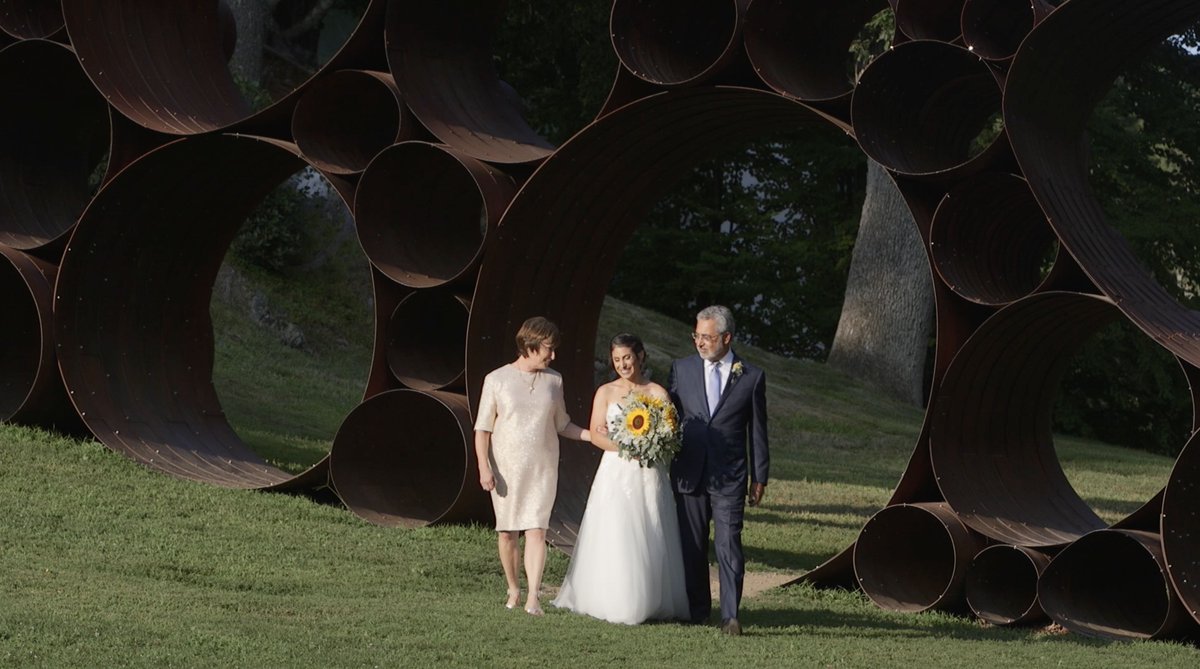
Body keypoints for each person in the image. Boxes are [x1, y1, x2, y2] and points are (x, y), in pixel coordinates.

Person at [552, 333, 690, 624]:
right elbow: (596, 434)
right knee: (615, 527)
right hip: (616, 468)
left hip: (649, 472)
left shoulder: (657, 393)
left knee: (650, 526)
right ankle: (613, 597)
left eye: (627, 357)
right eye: (617, 360)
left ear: (640, 356)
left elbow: (669, 432)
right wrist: (627, 447)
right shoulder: (605, 392)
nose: (623, 364)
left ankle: (652, 598)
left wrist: (652, 446)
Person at [474, 316, 591, 616]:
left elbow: (562, 423)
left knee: (537, 530)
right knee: (507, 533)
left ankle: (534, 597)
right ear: (530, 345)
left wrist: (592, 435)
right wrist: (484, 468)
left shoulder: (554, 380)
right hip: (504, 469)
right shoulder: (496, 379)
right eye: (549, 349)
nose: (553, 356)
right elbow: (482, 429)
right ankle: (514, 588)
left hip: (543, 467)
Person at [668, 305, 769, 636]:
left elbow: (758, 431)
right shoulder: (680, 369)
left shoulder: (751, 376)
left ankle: (730, 616)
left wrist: (760, 476)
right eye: (696, 335)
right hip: (689, 472)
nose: (699, 342)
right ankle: (698, 611)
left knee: (728, 544)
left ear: (727, 337)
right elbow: (667, 417)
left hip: (730, 475)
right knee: (692, 545)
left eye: (707, 337)